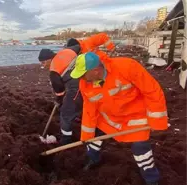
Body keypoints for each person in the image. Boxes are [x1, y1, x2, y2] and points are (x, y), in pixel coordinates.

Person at [70, 52, 168, 185]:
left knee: (141, 150)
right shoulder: (85, 84)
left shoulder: (127, 67)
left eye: (82, 74)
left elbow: (152, 91)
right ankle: (93, 159)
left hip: (135, 119)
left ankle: (151, 179)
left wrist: (157, 122)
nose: (80, 78)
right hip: (108, 120)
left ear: (96, 71)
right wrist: (86, 136)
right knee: (93, 140)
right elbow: (89, 110)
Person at [38, 45, 83, 145]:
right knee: (78, 106)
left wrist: (59, 100)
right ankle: (77, 116)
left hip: (77, 88)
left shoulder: (53, 70)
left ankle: (66, 140)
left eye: (44, 62)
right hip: (87, 80)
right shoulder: (67, 51)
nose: (43, 65)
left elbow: (60, 91)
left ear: (49, 59)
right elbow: (79, 46)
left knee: (65, 114)